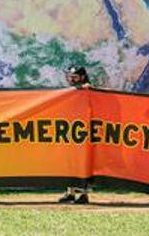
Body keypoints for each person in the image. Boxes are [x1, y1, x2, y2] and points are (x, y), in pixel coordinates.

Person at [58, 66, 93, 204]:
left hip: (84, 134)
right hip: (69, 133)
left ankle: (84, 194)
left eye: (75, 77)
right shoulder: (69, 91)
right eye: (70, 76)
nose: (71, 79)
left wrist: (88, 89)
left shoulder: (88, 90)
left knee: (84, 164)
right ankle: (70, 193)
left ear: (82, 77)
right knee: (69, 163)